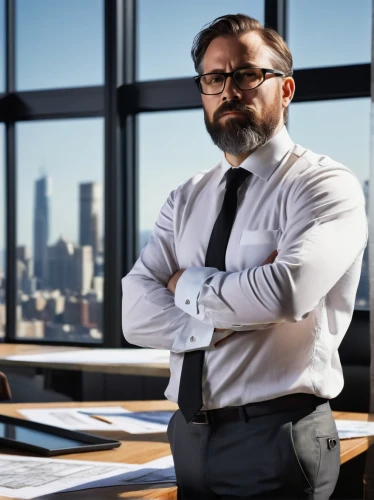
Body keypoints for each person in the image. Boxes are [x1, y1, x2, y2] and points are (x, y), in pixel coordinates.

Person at [121, 13, 368, 499]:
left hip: (277, 438)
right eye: (215, 78)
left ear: (286, 89)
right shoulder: (186, 196)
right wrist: (232, 313)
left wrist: (182, 285)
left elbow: (284, 293)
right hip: (188, 434)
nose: (229, 90)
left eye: (247, 74)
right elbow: (134, 314)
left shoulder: (322, 185)